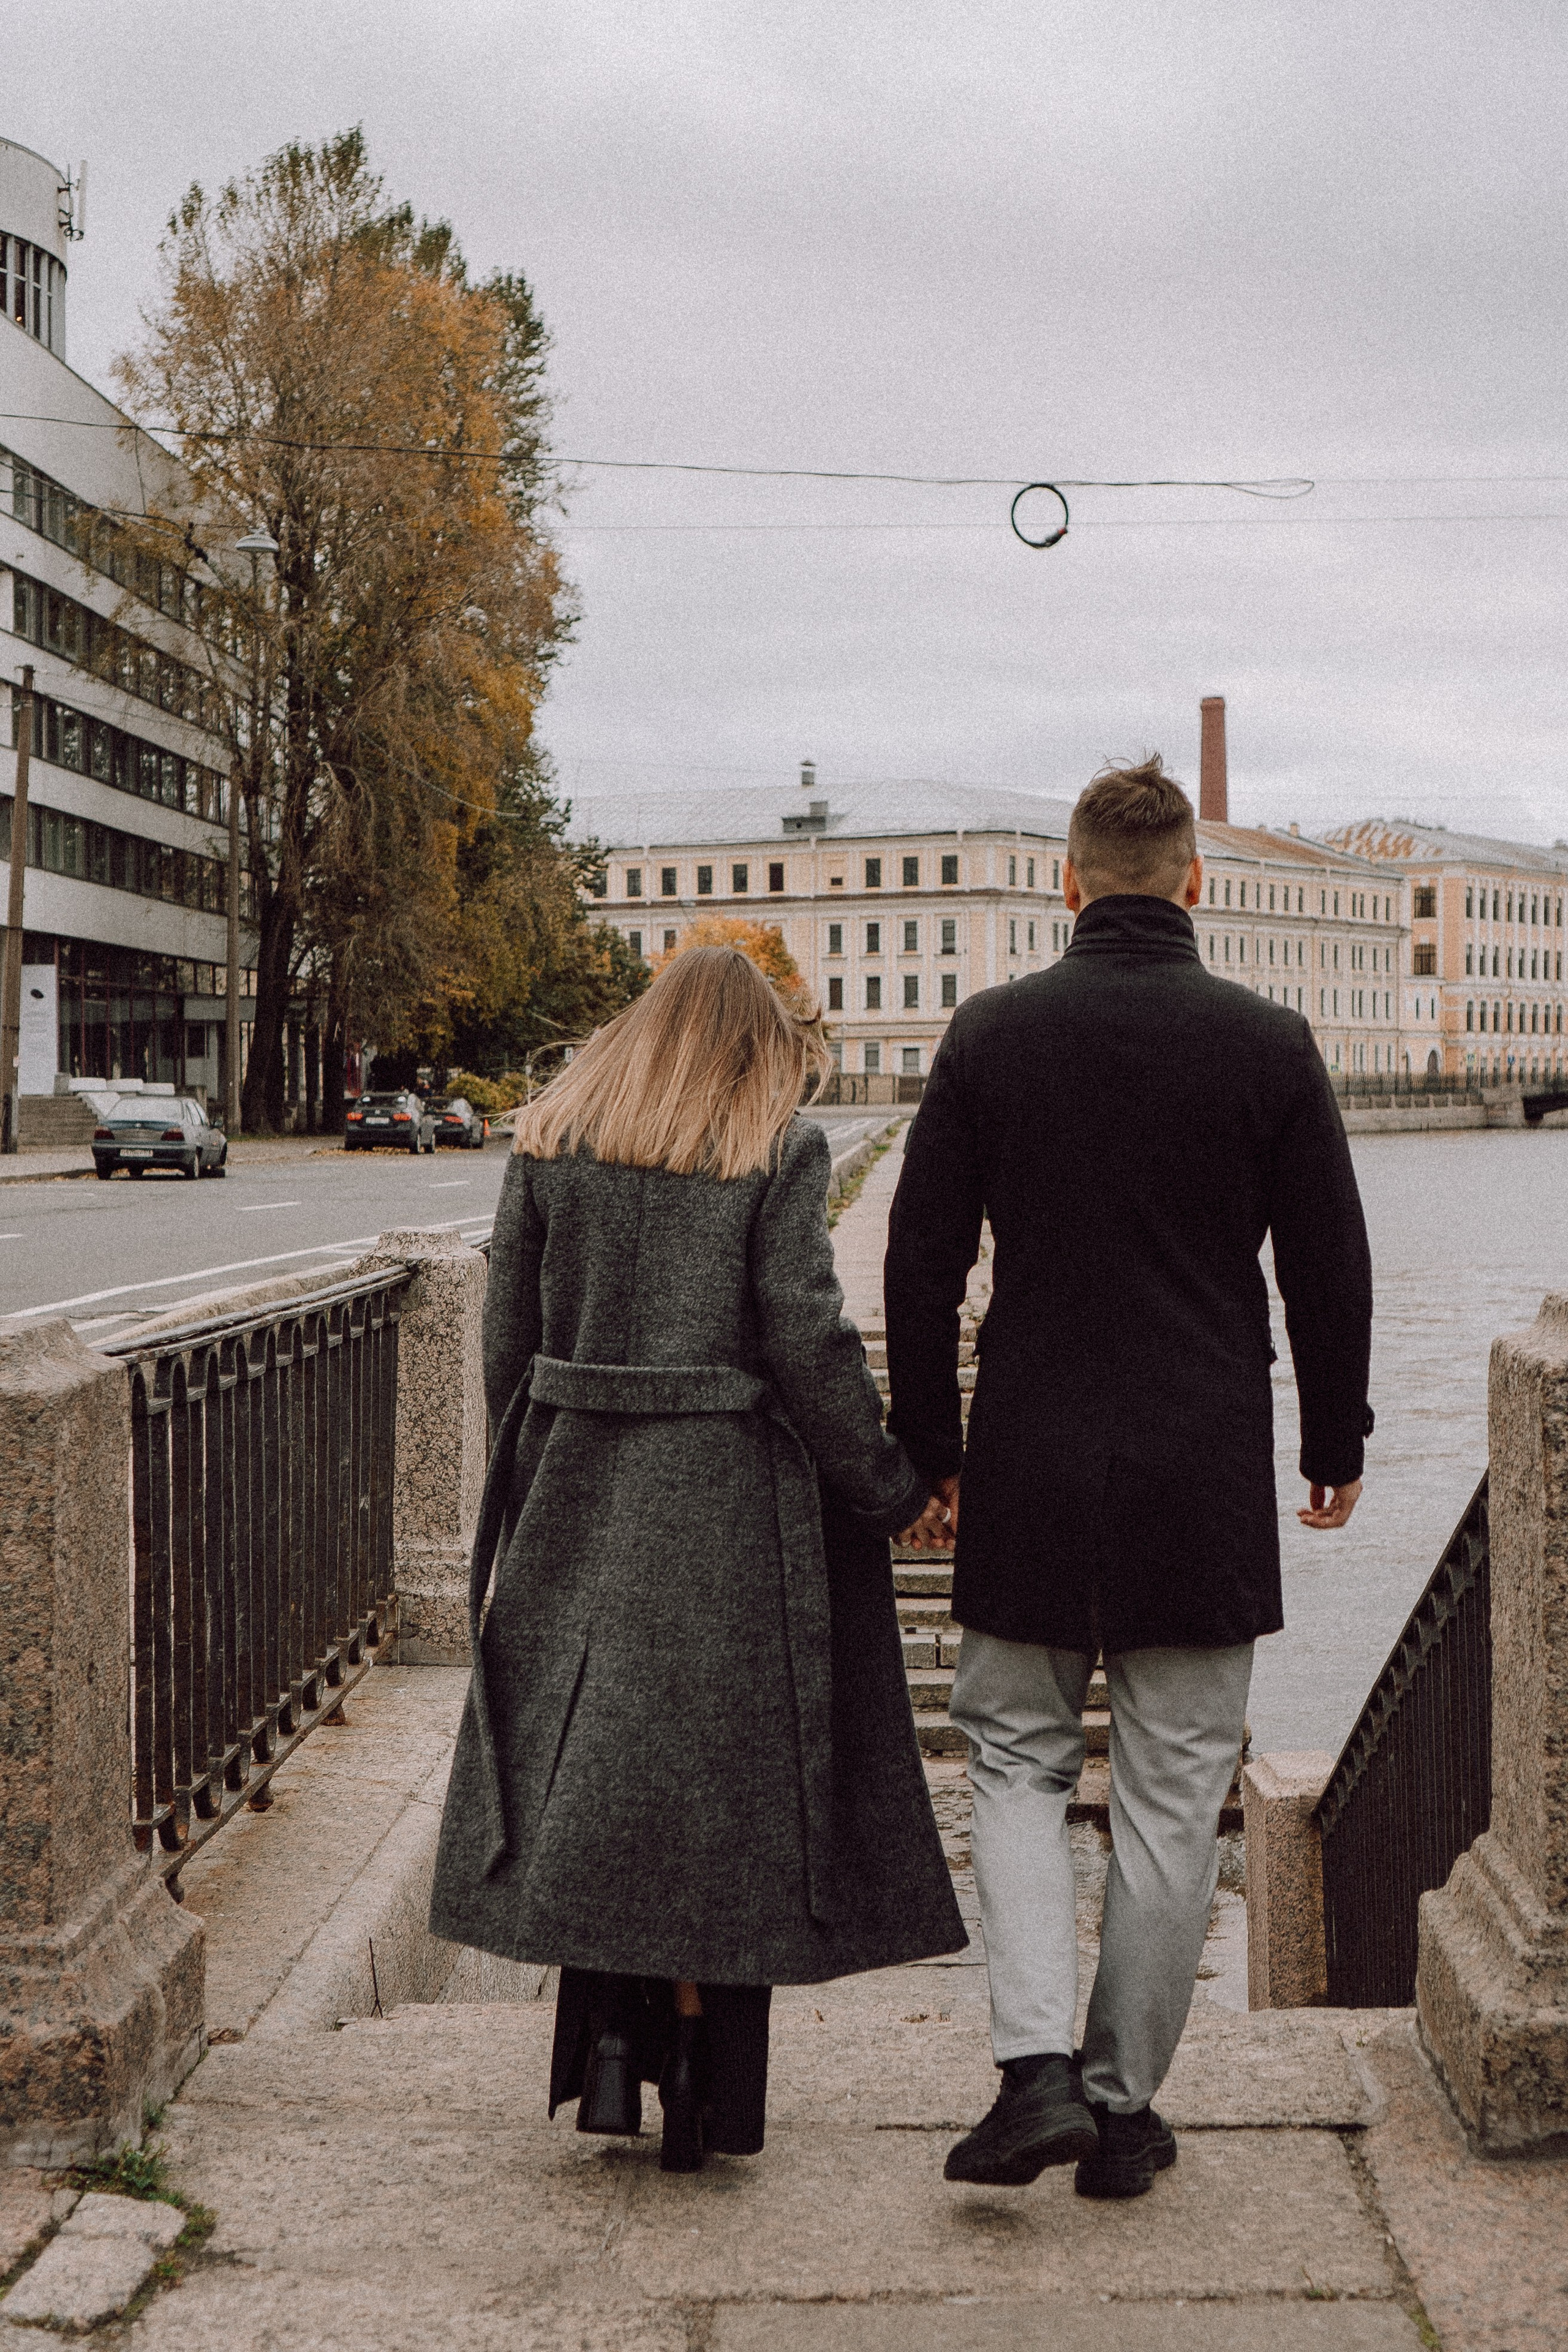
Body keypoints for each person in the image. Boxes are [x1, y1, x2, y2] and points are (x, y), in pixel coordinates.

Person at [883, 757, 1373, 2199]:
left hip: (1031, 1452)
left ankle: (1031, 2068)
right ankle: (1118, 2102)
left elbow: (920, 1264)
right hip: (1199, 1465)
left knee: (1017, 1763)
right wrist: (1330, 1443)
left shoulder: (990, 1036)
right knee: (1171, 1792)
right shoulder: (1268, 1044)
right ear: (1195, 886)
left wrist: (930, 1449)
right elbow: (1327, 1271)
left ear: (1068, 882)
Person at [429, 944, 965, 2173]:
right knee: (714, 1802)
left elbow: (504, 1340)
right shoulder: (774, 1149)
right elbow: (806, 1336)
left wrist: (538, 1478)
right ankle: (694, 2067)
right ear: (755, 1045)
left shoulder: (550, 1139)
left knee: (595, 1779)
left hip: (576, 1478)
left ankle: (609, 2047)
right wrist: (888, 1488)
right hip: (726, 1501)